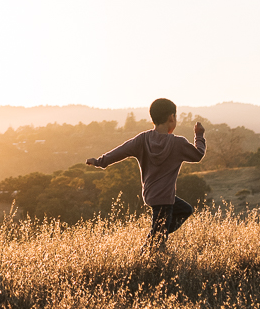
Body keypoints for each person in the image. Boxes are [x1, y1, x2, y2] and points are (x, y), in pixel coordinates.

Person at [86, 98, 205, 250]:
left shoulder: (142, 139)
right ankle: (148, 254)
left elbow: (120, 151)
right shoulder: (178, 143)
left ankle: (158, 236)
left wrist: (100, 161)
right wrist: (199, 135)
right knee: (156, 245)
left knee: (185, 210)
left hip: (151, 194)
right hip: (164, 199)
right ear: (171, 118)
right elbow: (198, 155)